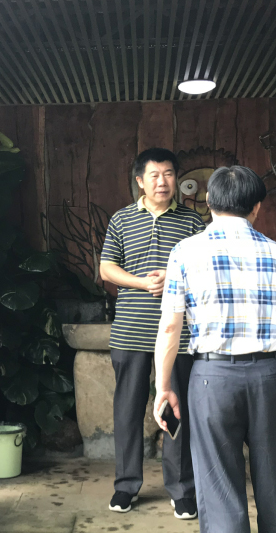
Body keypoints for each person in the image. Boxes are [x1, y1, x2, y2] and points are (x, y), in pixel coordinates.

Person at [154, 165, 276, 533]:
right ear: (256, 207)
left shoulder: (185, 252)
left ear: (208, 201)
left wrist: (163, 387)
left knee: (218, 483)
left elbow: (171, 327)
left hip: (213, 378)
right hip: (270, 375)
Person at [100, 148, 205, 520]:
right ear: (140, 181)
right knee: (127, 412)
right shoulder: (122, 219)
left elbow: (203, 271)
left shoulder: (192, 222)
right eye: (155, 175)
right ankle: (126, 485)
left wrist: (175, 278)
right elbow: (107, 268)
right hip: (130, 332)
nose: (163, 182)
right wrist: (142, 282)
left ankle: (181, 489)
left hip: (179, 335)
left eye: (169, 174)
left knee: (176, 411)